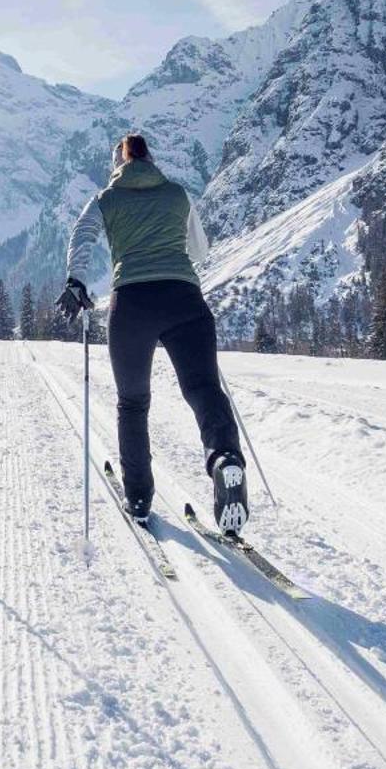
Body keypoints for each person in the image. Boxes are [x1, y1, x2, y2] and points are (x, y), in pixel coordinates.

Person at [57, 133, 247, 531]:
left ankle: (139, 496)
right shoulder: (177, 194)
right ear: (151, 161)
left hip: (133, 305)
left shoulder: (106, 199)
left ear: (118, 166)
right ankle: (225, 458)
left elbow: (82, 235)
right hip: (185, 300)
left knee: (133, 403)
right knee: (204, 389)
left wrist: (76, 281)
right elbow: (200, 251)